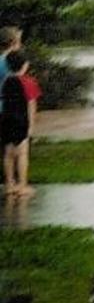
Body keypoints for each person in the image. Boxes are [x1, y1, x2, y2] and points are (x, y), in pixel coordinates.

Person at [1, 51, 37, 198]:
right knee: (22, 154)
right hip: (21, 122)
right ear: (25, 65)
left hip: (6, 121)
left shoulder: (5, 82)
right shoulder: (29, 82)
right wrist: (31, 125)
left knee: (8, 154)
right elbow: (31, 105)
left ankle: (9, 184)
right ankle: (22, 186)